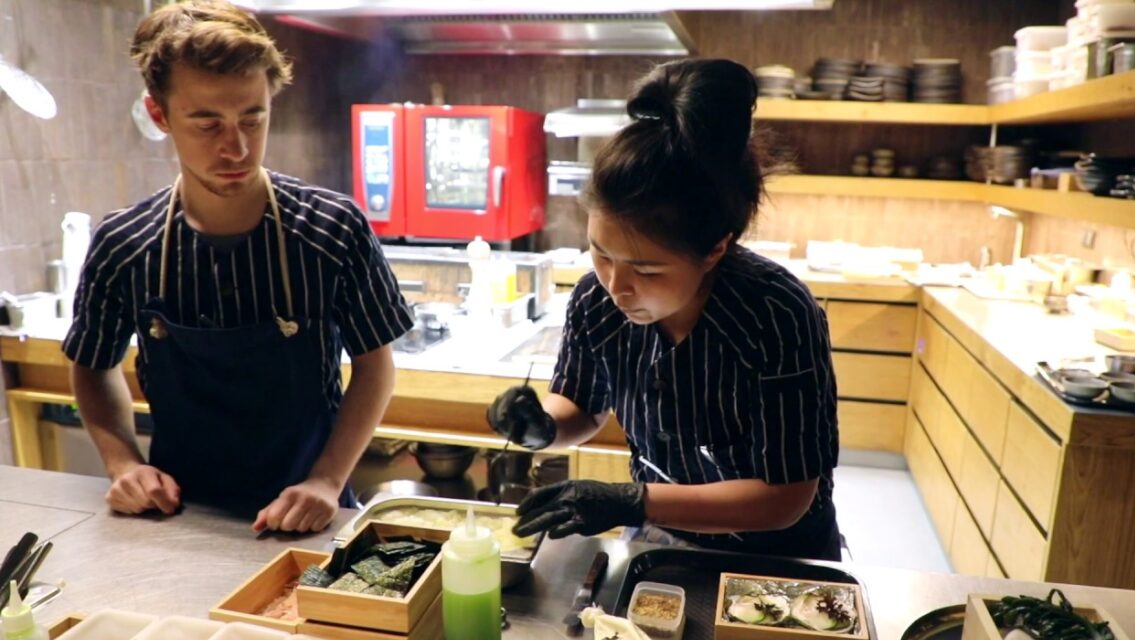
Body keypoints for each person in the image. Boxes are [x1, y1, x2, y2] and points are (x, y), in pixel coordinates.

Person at [62, 0, 413, 533]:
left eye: (254, 117)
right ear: (159, 115)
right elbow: (91, 364)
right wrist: (124, 464)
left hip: (311, 512)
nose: (238, 147)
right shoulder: (124, 243)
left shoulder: (332, 229)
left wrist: (325, 479)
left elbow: (375, 367)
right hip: (176, 515)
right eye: (208, 124)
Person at [488, 58, 841, 559]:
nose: (617, 286)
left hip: (779, 555)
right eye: (601, 252)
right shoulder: (595, 299)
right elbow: (582, 406)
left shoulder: (775, 312)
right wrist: (541, 426)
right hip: (659, 534)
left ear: (715, 249)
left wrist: (636, 500)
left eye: (647, 270)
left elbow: (785, 496)